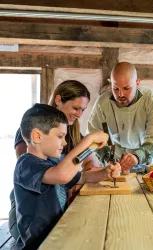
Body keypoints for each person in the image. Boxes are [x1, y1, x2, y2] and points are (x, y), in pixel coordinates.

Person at [13, 104, 121, 250]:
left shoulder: (51, 163)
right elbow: (62, 175)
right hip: (37, 245)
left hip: (57, 237)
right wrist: (90, 140)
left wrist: (104, 173)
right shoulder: (25, 164)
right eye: (60, 136)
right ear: (37, 136)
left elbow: (82, 178)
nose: (64, 143)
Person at [9, 80, 101, 240]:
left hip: (55, 215)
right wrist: (89, 142)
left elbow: (82, 172)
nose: (79, 114)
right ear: (58, 100)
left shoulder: (72, 136)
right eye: (76, 108)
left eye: (83, 110)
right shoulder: (27, 160)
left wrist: (104, 170)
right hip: (31, 225)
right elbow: (59, 174)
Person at [87, 62, 153, 171]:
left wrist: (137, 156)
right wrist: (107, 157)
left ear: (137, 83)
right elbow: (94, 136)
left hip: (149, 164)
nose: (120, 94)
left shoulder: (151, 101)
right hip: (116, 165)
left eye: (126, 88)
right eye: (115, 89)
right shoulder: (102, 103)